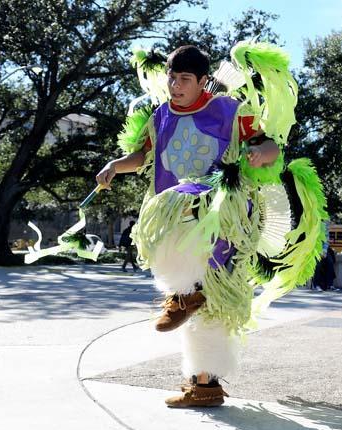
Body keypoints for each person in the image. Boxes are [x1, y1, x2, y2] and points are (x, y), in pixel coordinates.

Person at [95, 43, 326, 407]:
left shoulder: (230, 111)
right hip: (175, 216)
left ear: (203, 81)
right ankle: (202, 380)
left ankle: (193, 321)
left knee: (210, 294)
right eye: (171, 78)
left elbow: (269, 147)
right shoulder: (159, 117)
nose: (174, 85)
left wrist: (261, 153)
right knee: (201, 296)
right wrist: (114, 165)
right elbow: (141, 157)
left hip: (221, 212)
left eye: (184, 79)